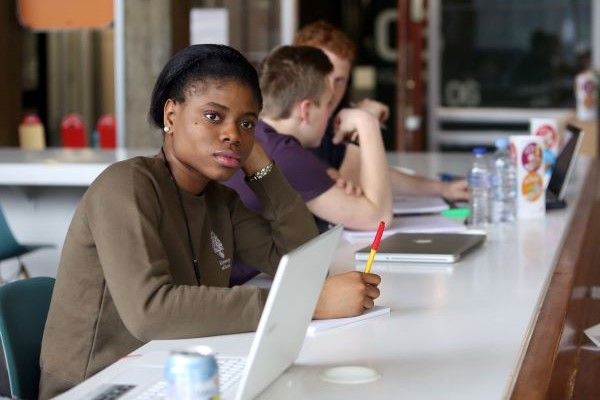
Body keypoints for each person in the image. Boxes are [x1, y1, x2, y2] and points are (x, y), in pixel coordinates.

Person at [38, 44, 381, 398]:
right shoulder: (125, 186)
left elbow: (302, 267)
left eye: (247, 123)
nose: (234, 134)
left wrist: (262, 168)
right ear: (171, 115)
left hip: (178, 372)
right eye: (214, 116)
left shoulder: (221, 202)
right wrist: (307, 304)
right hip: (98, 386)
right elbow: (151, 311)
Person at [225, 45, 393, 284]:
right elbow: (377, 218)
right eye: (327, 104)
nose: (330, 114)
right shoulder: (284, 154)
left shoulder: (261, 136)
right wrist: (367, 123)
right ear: (306, 110)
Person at [294, 20, 469, 201]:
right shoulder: (289, 133)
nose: (331, 91)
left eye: (339, 80)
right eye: (323, 77)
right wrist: (365, 123)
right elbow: (358, 201)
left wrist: (444, 189)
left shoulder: (326, 127)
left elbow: (367, 171)